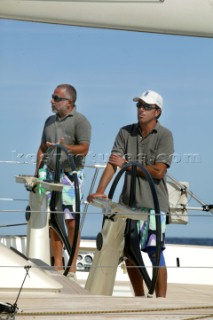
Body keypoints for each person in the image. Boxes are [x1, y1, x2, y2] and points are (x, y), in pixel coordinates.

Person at [87, 90, 174, 297]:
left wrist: (126, 165)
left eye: (146, 107)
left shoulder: (164, 135)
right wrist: (100, 192)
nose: (141, 110)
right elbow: (112, 164)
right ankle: (140, 298)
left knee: (154, 252)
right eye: (139, 106)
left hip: (153, 205)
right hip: (127, 204)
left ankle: (162, 301)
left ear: (157, 112)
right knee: (129, 253)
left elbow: (159, 172)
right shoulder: (125, 132)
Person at [35, 83, 91, 279]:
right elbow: (42, 148)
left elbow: (84, 148)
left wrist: (63, 147)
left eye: (56, 98)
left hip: (70, 176)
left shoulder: (81, 121)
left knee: (72, 222)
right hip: (50, 175)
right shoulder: (49, 121)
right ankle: (58, 266)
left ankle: (73, 266)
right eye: (52, 97)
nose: (52, 101)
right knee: (54, 221)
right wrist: (36, 175)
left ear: (69, 102)